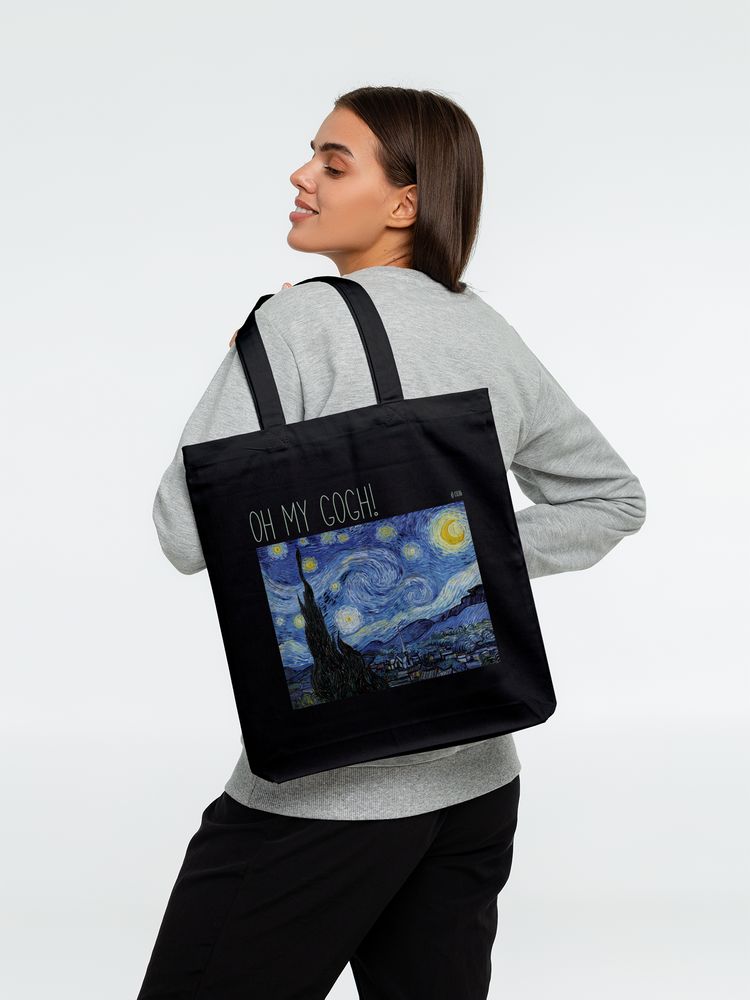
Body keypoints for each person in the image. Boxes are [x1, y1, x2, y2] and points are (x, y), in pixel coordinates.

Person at [137, 86, 646, 999]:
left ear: (404, 203)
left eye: (333, 164)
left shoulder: (296, 323)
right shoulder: (480, 324)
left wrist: (249, 355)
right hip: (477, 786)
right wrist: (464, 562)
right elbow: (610, 498)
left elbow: (183, 532)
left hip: (328, 796)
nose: (301, 176)